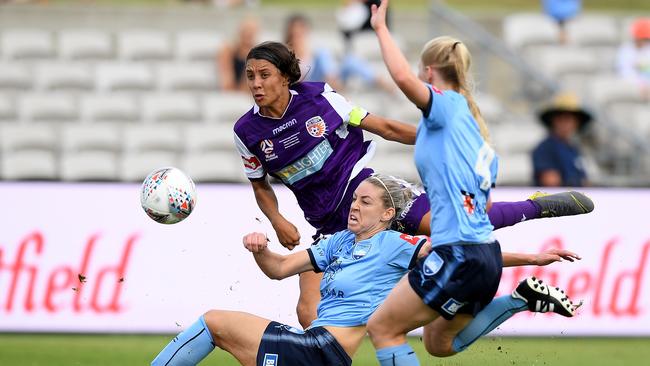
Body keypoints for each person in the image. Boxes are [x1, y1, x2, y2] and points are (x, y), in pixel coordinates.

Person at [233, 41, 593, 329]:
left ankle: (535, 207)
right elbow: (260, 185)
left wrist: (439, 136)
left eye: (264, 74)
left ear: (284, 77)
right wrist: (277, 220)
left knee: (446, 228)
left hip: (370, 191)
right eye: (250, 76)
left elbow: (385, 127)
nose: (256, 84)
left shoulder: (320, 99)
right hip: (329, 224)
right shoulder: (246, 132)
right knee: (308, 312)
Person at [151, 175, 579, 366]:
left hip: (323, 351)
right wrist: (258, 249)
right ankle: (521, 299)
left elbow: (455, 252)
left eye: (366, 202)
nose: (354, 206)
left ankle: (521, 292)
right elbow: (280, 269)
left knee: (214, 322)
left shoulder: (396, 244)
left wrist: (531, 257)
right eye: (354, 200)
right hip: (314, 348)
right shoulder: (336, 242)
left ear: (389, 213)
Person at [366, 1, 580, 363]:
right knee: (438, 344)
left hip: (458, 253)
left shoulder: (446, 106)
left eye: (423, 71)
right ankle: (521, 298)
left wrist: (381, 28)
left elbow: (402, 79)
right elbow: (482, 209)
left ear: (430, 71)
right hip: (485, 256)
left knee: (383, 329)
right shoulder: (477, 135)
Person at [532, 92, 592, 187]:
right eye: (561, 119)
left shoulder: (574, 148)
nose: (565, 124)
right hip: (557, 201)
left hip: (574, 199)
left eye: (569, 119)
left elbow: (585, 179)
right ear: (553, 121)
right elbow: (551, 182)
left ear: (576, 123)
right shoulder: (544, 148)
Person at [216, 17, 259, 92]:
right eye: (245, 31)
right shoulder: (228, 51)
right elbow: (226, 84)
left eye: (251, 32)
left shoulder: (257, 55)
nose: (248, 34)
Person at [616, 17, 650, 98]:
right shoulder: (625, 51)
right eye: (644, 39)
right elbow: (625, 73)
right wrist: (641, 85)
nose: (646, 42)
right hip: (630, 90)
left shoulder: (648, 50)